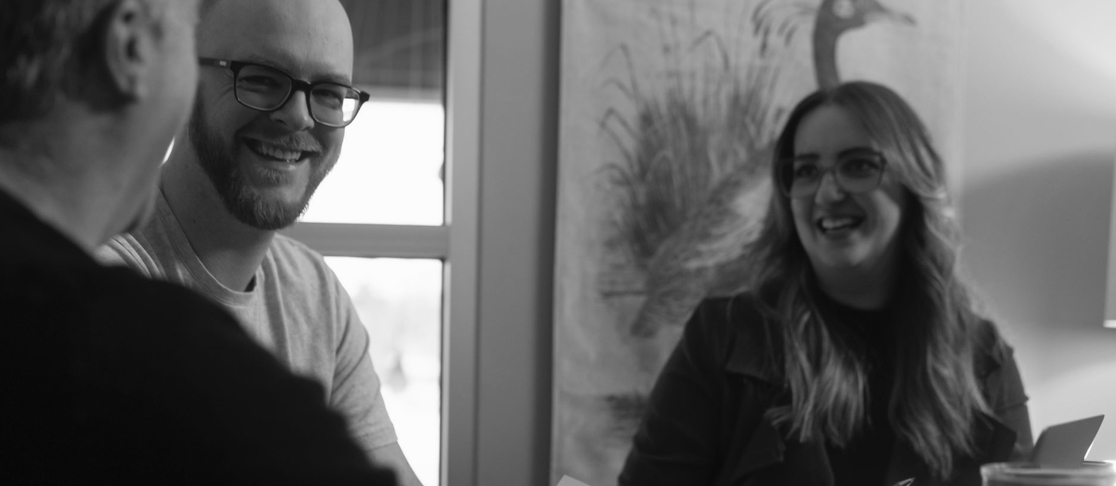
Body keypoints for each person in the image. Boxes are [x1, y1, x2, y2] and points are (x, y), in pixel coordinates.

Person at [0, 0, 396, 484]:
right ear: (132, 46)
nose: (299, 118)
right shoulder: (110, 318)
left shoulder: (318, 297)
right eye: (259, 77)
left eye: (331, 93)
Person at [618, 81, 1033, 486]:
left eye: (858, 166)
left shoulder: (983, 358)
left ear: (912, 184)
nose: (827, 192)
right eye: (806, 171)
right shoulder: (722, 337)